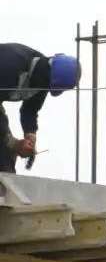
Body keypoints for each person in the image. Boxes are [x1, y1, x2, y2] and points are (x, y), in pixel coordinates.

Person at [0, 44, 81, 173]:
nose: (44, 90)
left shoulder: (42, 76)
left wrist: (30, 134)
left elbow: (30, 110)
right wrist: (12, 143)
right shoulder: (10, 65)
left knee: (6, 159)